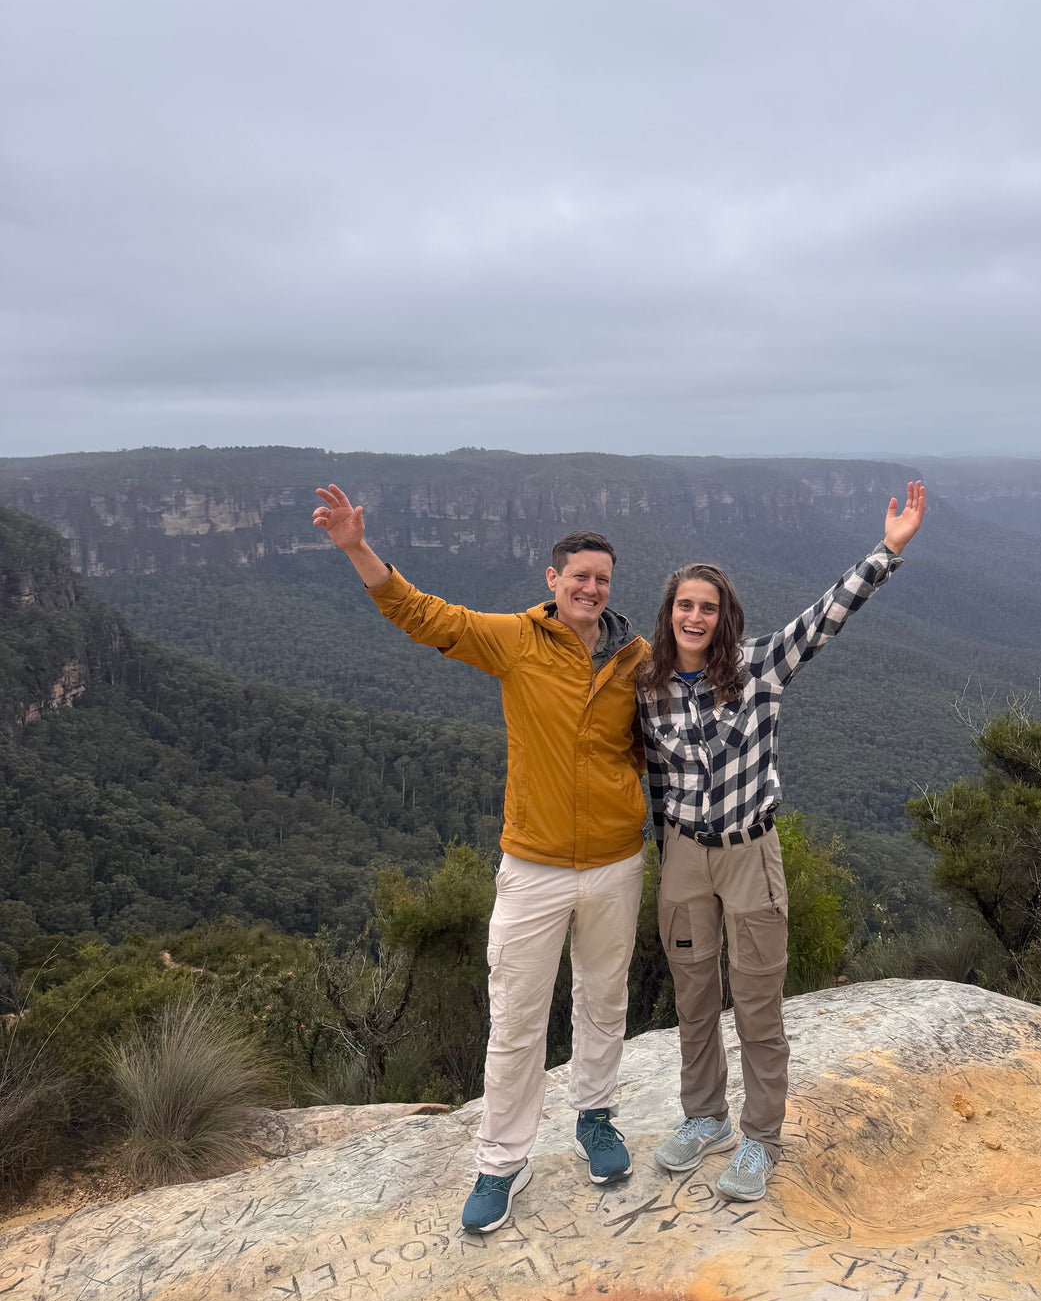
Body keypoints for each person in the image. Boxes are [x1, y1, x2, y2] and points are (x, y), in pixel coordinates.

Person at [312, 484, 650, 1234]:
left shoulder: (635, 657)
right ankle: (502, 1160)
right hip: (532, 865)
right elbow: (423, 615)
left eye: (602, 579)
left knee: (604, 999)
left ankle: (595, 1119)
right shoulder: (515, 639)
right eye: (578, 577)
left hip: (616, 862)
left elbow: (681, 717)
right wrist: (358, 548)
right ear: (552, 581)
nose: (591, 588)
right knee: (518, 1018)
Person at [639, 481, 926, 1201]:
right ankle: (705, 1117)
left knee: (759, 1003)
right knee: (694, 996)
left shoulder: (762, 667)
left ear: (724, 616)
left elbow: (825, 617)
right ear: (669, 615)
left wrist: (887, 551)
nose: (695, 616)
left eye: (707, 606)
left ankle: (761, 1137)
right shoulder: (647, 687)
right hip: (682, 856)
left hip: (749, 854)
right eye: (685, 606)